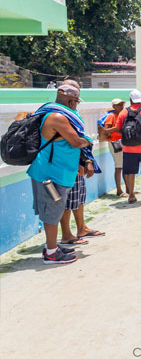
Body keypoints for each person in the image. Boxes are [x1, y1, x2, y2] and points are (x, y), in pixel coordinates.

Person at [27, 80, 92, 264]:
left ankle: (52, 246)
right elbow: (76, 141)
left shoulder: (60, 115)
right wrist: (87, 141)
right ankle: (51, 253)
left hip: (57, 173)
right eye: (75, 101)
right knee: (51, 212)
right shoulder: (57, 117)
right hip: (50, 175)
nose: (76, 104)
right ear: (70, 100)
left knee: (54, 211)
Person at [102, 98, 129, 197]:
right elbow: (105, 129)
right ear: (114, 106)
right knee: (119, 167)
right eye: (118, 105)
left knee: (124, 166)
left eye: (122, 104)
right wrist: (116, 129)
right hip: (115, 143)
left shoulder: (122, 115)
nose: (121, 106)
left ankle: (128, 189)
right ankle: (119, 190)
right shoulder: (111, 116)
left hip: (122, 142)